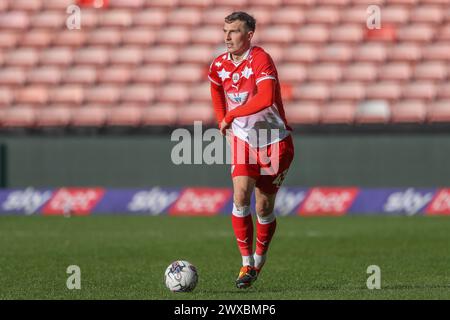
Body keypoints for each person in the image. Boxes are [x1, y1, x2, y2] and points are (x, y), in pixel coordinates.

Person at [208, 11, 295, 289]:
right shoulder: (218, 65)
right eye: (225, 30)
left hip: (274, 142)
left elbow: (266, 97)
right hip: (244, 142)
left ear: (248, 35)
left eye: (233, 31)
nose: (227, 36)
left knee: (264, 206)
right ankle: (246, 262)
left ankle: (259, 257)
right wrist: (223, 120)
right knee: (240, 196)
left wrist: (232, 116)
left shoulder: (260, 59)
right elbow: (216, 90)